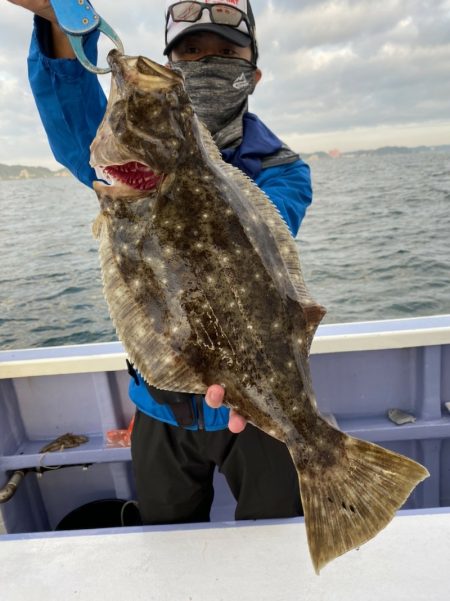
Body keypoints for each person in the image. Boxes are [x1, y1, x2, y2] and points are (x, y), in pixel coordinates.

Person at [8, 0, 312, 524]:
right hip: (159, 406)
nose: (207, 61)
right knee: (166, 538)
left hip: (258, 406)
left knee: (273, 536)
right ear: (173, 69)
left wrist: (176, 176)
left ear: (253, 74)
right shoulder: (127, 161)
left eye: (226, 52)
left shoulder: (282, 171)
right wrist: (60, 17)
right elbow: (72, 115)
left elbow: (257, 243)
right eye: (191, 52)